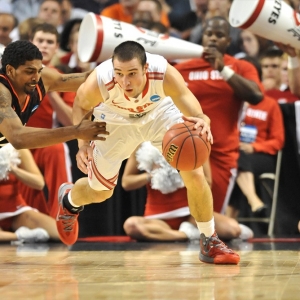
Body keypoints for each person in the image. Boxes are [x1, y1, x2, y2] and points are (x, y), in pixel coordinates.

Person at [56, 39, 240, 265]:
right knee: (100, 191)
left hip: (159, 114)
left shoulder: (163, 72)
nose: (125, 81)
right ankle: (69, 200)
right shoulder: (100, 80)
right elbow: (81, 105)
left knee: (194, 171)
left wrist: (203, 119)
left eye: (132, 73)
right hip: (114, 121)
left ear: (145, 68)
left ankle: (210, 241)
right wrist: (83, 144)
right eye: (119, 74)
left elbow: (187, 100)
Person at [174, 16, 264, 214]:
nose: (213, 39)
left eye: (220, 35)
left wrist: (222, 69)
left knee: (212, 215)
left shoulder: (241, 67)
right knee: (186, 213)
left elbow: (256, 96)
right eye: (209, 34)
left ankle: (231, 234)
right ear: (202, 37)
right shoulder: (183, 69)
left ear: (228, 41)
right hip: (189, 148)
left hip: (223, 153)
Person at [122, 142, 253, 241]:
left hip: (191, 214)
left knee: (233, 230)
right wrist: (153, 174)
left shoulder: (193, 140)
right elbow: (126, 182)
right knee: (132, 225)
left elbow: (208, 181)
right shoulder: (142, 142)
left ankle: (180, 233)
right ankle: (186, 235)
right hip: (158, 219)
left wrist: (183, 171)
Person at [0, 40, 108, 150]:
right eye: (29, 71)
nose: (36, 78)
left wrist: (114, 67)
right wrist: (77, 131)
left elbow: (85, 80)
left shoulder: (42, 79)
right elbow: (18, 138)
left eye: (39, 70)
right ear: (10, 70)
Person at [18, 23, 74, 218]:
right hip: (16, 140)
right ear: (31, 43)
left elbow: (70, 121)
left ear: (57, 47)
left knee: (56, 148)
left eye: (50, 42)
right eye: (40, 41)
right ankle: (23, 216)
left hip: (44, 141)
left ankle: (63, 215)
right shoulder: (13, 73)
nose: (44, 45)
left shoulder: (63, 78)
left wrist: (49, 88)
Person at [0, 144, 60, 243]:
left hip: (14, 211)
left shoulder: (15, 146)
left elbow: (39, 183)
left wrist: (12, 169)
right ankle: (20, 236)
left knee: (59, 232)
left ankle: (8, 236)